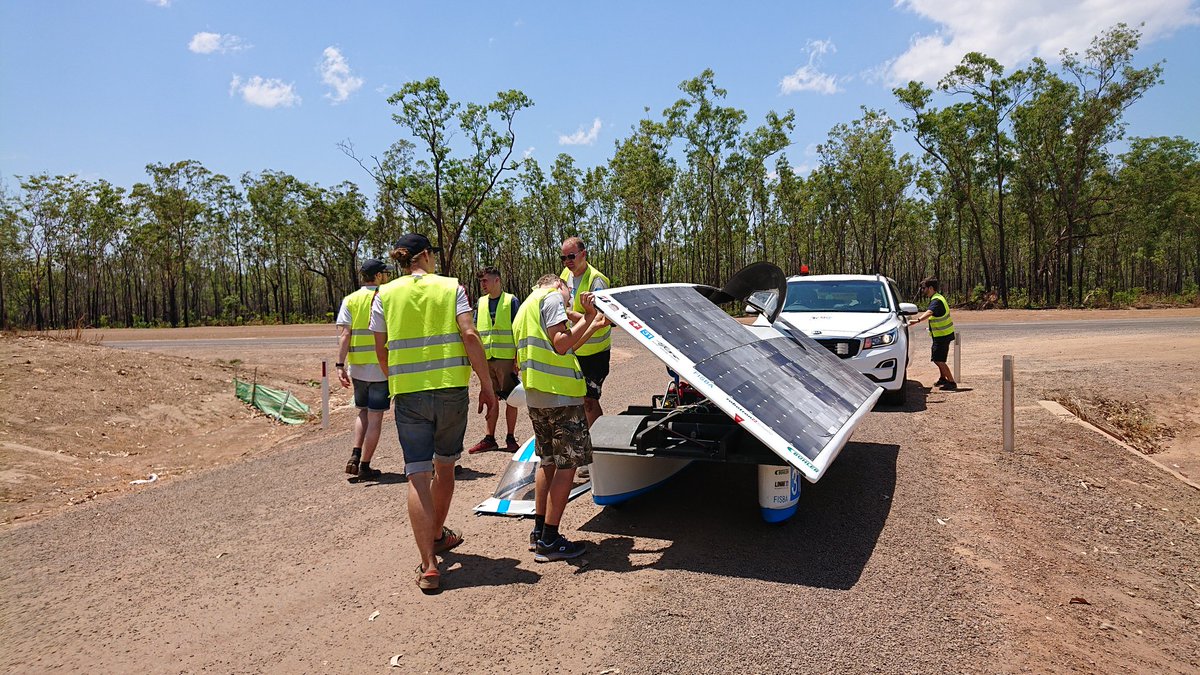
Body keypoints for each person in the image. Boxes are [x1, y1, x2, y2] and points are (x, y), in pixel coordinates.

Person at [371, 233, 498, 591]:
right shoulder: (451, 288)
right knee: (444, 466)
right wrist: (487, 386)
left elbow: (381, 349)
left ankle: (429, 564)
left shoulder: (386, 294)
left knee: (416, 473)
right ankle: (438, 534)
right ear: (425, 256)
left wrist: (396, 379)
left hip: (409, 394)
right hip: (450, 390)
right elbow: (470, 335)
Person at [514, 274, 608, 562]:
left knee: (549, 462)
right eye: (569, 292)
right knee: (567, 465)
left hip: (538, 396)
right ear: (559, 285)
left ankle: (540, 531)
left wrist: (592, 323)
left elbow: (565, 346)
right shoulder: (552, 296)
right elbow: (560, 342)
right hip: (561, 398)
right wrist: (586, 313)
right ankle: (551, 540)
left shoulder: (526, 306)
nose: (569, 300)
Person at [335, 258, 391, 480]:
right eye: (385, 274)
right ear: (377, 276)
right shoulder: (385, 297)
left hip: (357, 368)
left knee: (362, 412)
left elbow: (344, 335)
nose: (387, 277)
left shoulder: (350, 300)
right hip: (380, 368)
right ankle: (365, 465)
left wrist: (340, 365)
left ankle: (355, 453)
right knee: (376, 418)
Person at [466, 266, 522, 455]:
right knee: (491, 397)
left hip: (506, 359)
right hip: (486, 359)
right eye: (481, 281)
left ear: (497, 280)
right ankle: (489, 438)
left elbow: (519, 330)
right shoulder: (481, 303)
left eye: (485, 281)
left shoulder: (511, 301)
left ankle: (510, 437)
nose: (483, 285)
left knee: (512, 399)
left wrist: (517, 359)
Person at [559, 236, 610, 428]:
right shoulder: (565, 275)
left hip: (595, 354)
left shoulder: (597, 280)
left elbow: (602, 319)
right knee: (575, 400)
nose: (567, 262)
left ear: (584, 254)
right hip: (574, 350)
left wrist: (571, 314)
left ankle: (596, 443)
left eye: (571, 256)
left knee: (589, 402)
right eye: (563, 258)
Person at [909, 277, 958, 391]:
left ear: (930, 288)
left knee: (938, 360)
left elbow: (930, 312)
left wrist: (918, 320)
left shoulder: (936, 300)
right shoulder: (937, 298)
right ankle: (943, 378)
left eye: (924, 288)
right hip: (941, 334)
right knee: (939, 358)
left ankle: (951, 382)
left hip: (942, 335)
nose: (923, 290)